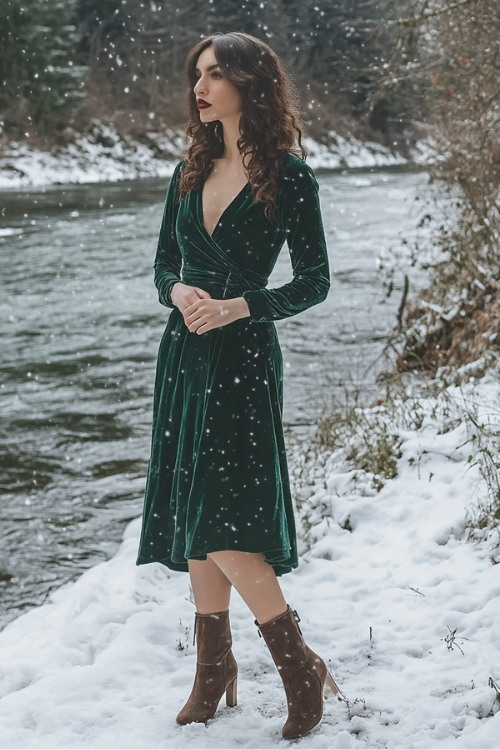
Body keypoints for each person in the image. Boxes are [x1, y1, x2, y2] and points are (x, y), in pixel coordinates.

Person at [136, 31, 340, 739]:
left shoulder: (290, 174)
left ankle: (297, 668)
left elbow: (314, 282)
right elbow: (164, 264)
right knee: (198, 507)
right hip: (185, 357)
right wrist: (180, 291)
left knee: (223, 519)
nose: (201, 86)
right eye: (198, 73)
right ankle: (213, 668)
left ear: (251, 83)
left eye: (216, 74)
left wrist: (239, 304)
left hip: (245, 359)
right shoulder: (189, 166)